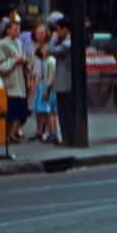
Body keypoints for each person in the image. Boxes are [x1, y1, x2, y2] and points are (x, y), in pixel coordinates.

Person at [0, 18, 30, 142]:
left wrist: (24, 61)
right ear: (8, 30)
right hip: (9, 82)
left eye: (19, 29)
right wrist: (14, 61)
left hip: (20, 80)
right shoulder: (1, 44)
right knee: (11, 111)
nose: (17, 31)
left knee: (20, 112)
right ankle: (7, 134)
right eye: (15, 29)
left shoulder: (19, 42)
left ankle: (13, 132)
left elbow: (24, 56)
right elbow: (0, 64)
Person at [48, 16, 74, 144]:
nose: (57, 33)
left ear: (65, 30)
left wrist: (53, 39)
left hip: (65, 82)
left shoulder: (67, 43)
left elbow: (51, 50)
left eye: (59, 30)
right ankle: (66, 136)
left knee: (64, 112)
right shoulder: (69, 42)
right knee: (64, 111)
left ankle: (67, 137)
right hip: (66, 82)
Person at [32, 39, 58, 143]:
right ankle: (50, 132)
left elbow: (51, 77)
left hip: (48, 87)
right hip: (44, 86)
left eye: (47, 48)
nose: (45, 50)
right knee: (48, 111)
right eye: (43, 48)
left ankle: (52, 133)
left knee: (50, 112)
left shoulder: (50, 61)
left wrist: (47, 89)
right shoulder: (44, 61)